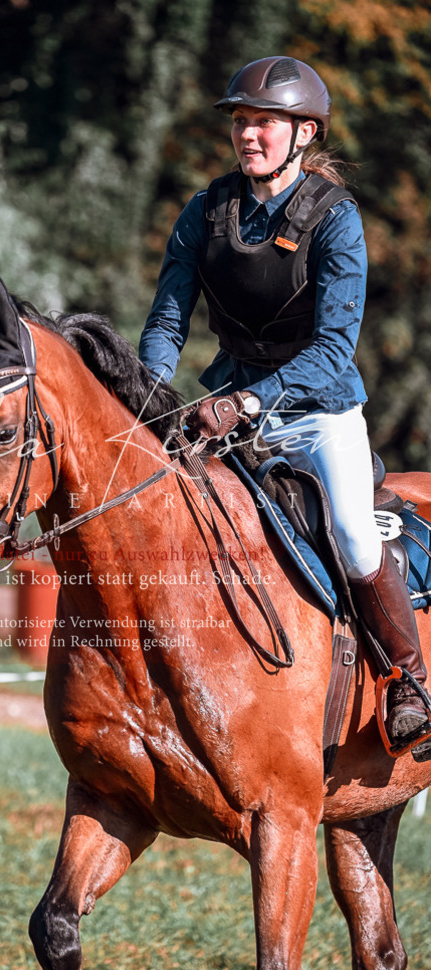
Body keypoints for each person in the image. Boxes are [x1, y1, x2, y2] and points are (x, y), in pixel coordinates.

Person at [139, 55, 431, 753]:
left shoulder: (337, 220)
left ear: (303, 133)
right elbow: (167, 323)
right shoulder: (206, 211)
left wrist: (245, 403)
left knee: (356, 535)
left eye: (263, 122)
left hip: (317, 412)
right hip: (226, 409)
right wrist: (146, 395)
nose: (248, 134)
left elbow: (333, 350)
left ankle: (410, 682)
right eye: (241, 121)